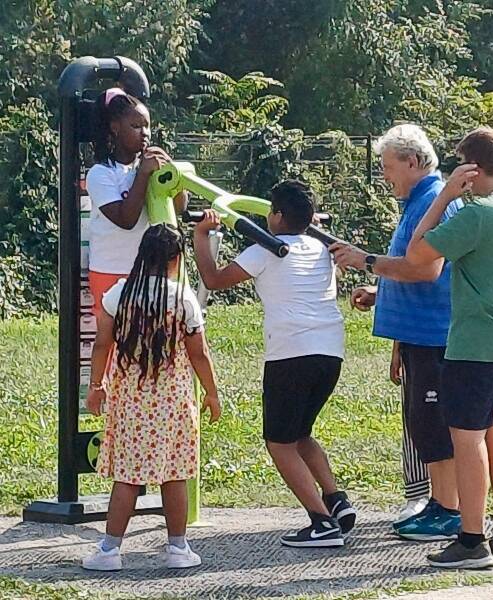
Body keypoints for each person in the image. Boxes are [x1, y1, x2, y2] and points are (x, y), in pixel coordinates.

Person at [343, 127, 493, 569]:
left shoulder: (477, 213)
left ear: (471, 170)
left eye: (459, 170)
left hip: (477, 339)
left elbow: (418, 254)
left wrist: (444, 196)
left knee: (467, 439)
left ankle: (471, 539)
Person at [193, 180, 356, 548]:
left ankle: (322, 523)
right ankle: (335, 501)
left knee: (279, 443)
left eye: (271, 211)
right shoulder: (320, 247)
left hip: (291, 353)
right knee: (299, 435)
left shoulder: (266, 250)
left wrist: (202, 236)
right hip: (330, 352)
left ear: (278, 216)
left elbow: (214, 279)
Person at [330, 124, 463, 540]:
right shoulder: (419, 202)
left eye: (388, 167)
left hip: (434, 335)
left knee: (435, 425)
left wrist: (367, 262)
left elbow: (427, 268)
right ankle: (440, 505)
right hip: (417, 336)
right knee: (424, 424)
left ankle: (449, 509)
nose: (385, 176)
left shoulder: (437, 203)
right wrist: (382, 288)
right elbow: (409, 266)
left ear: (412, 161)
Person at [82, 224, 221, 571]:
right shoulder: (183, 298)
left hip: (129, 397)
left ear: (141, 256)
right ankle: (177, 547)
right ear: (177, 260)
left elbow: (102, 344)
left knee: (127, 476)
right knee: (174, 473)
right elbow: (199, 353)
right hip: (172, 398)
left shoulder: (119, 295)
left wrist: (95, 385)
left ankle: (110, 550)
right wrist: (212, 392)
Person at [86, 87, 187, 314]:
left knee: (140, 341)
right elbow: (126, 219)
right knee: (111, 339)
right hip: (109, 269)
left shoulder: (150, 166)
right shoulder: (101, 174)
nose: (145, 133)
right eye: (136, 126)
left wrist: (172, 175)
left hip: (147, 270)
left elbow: (180, 207)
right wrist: (142, 175)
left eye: (147, 126)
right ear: (115, 128)